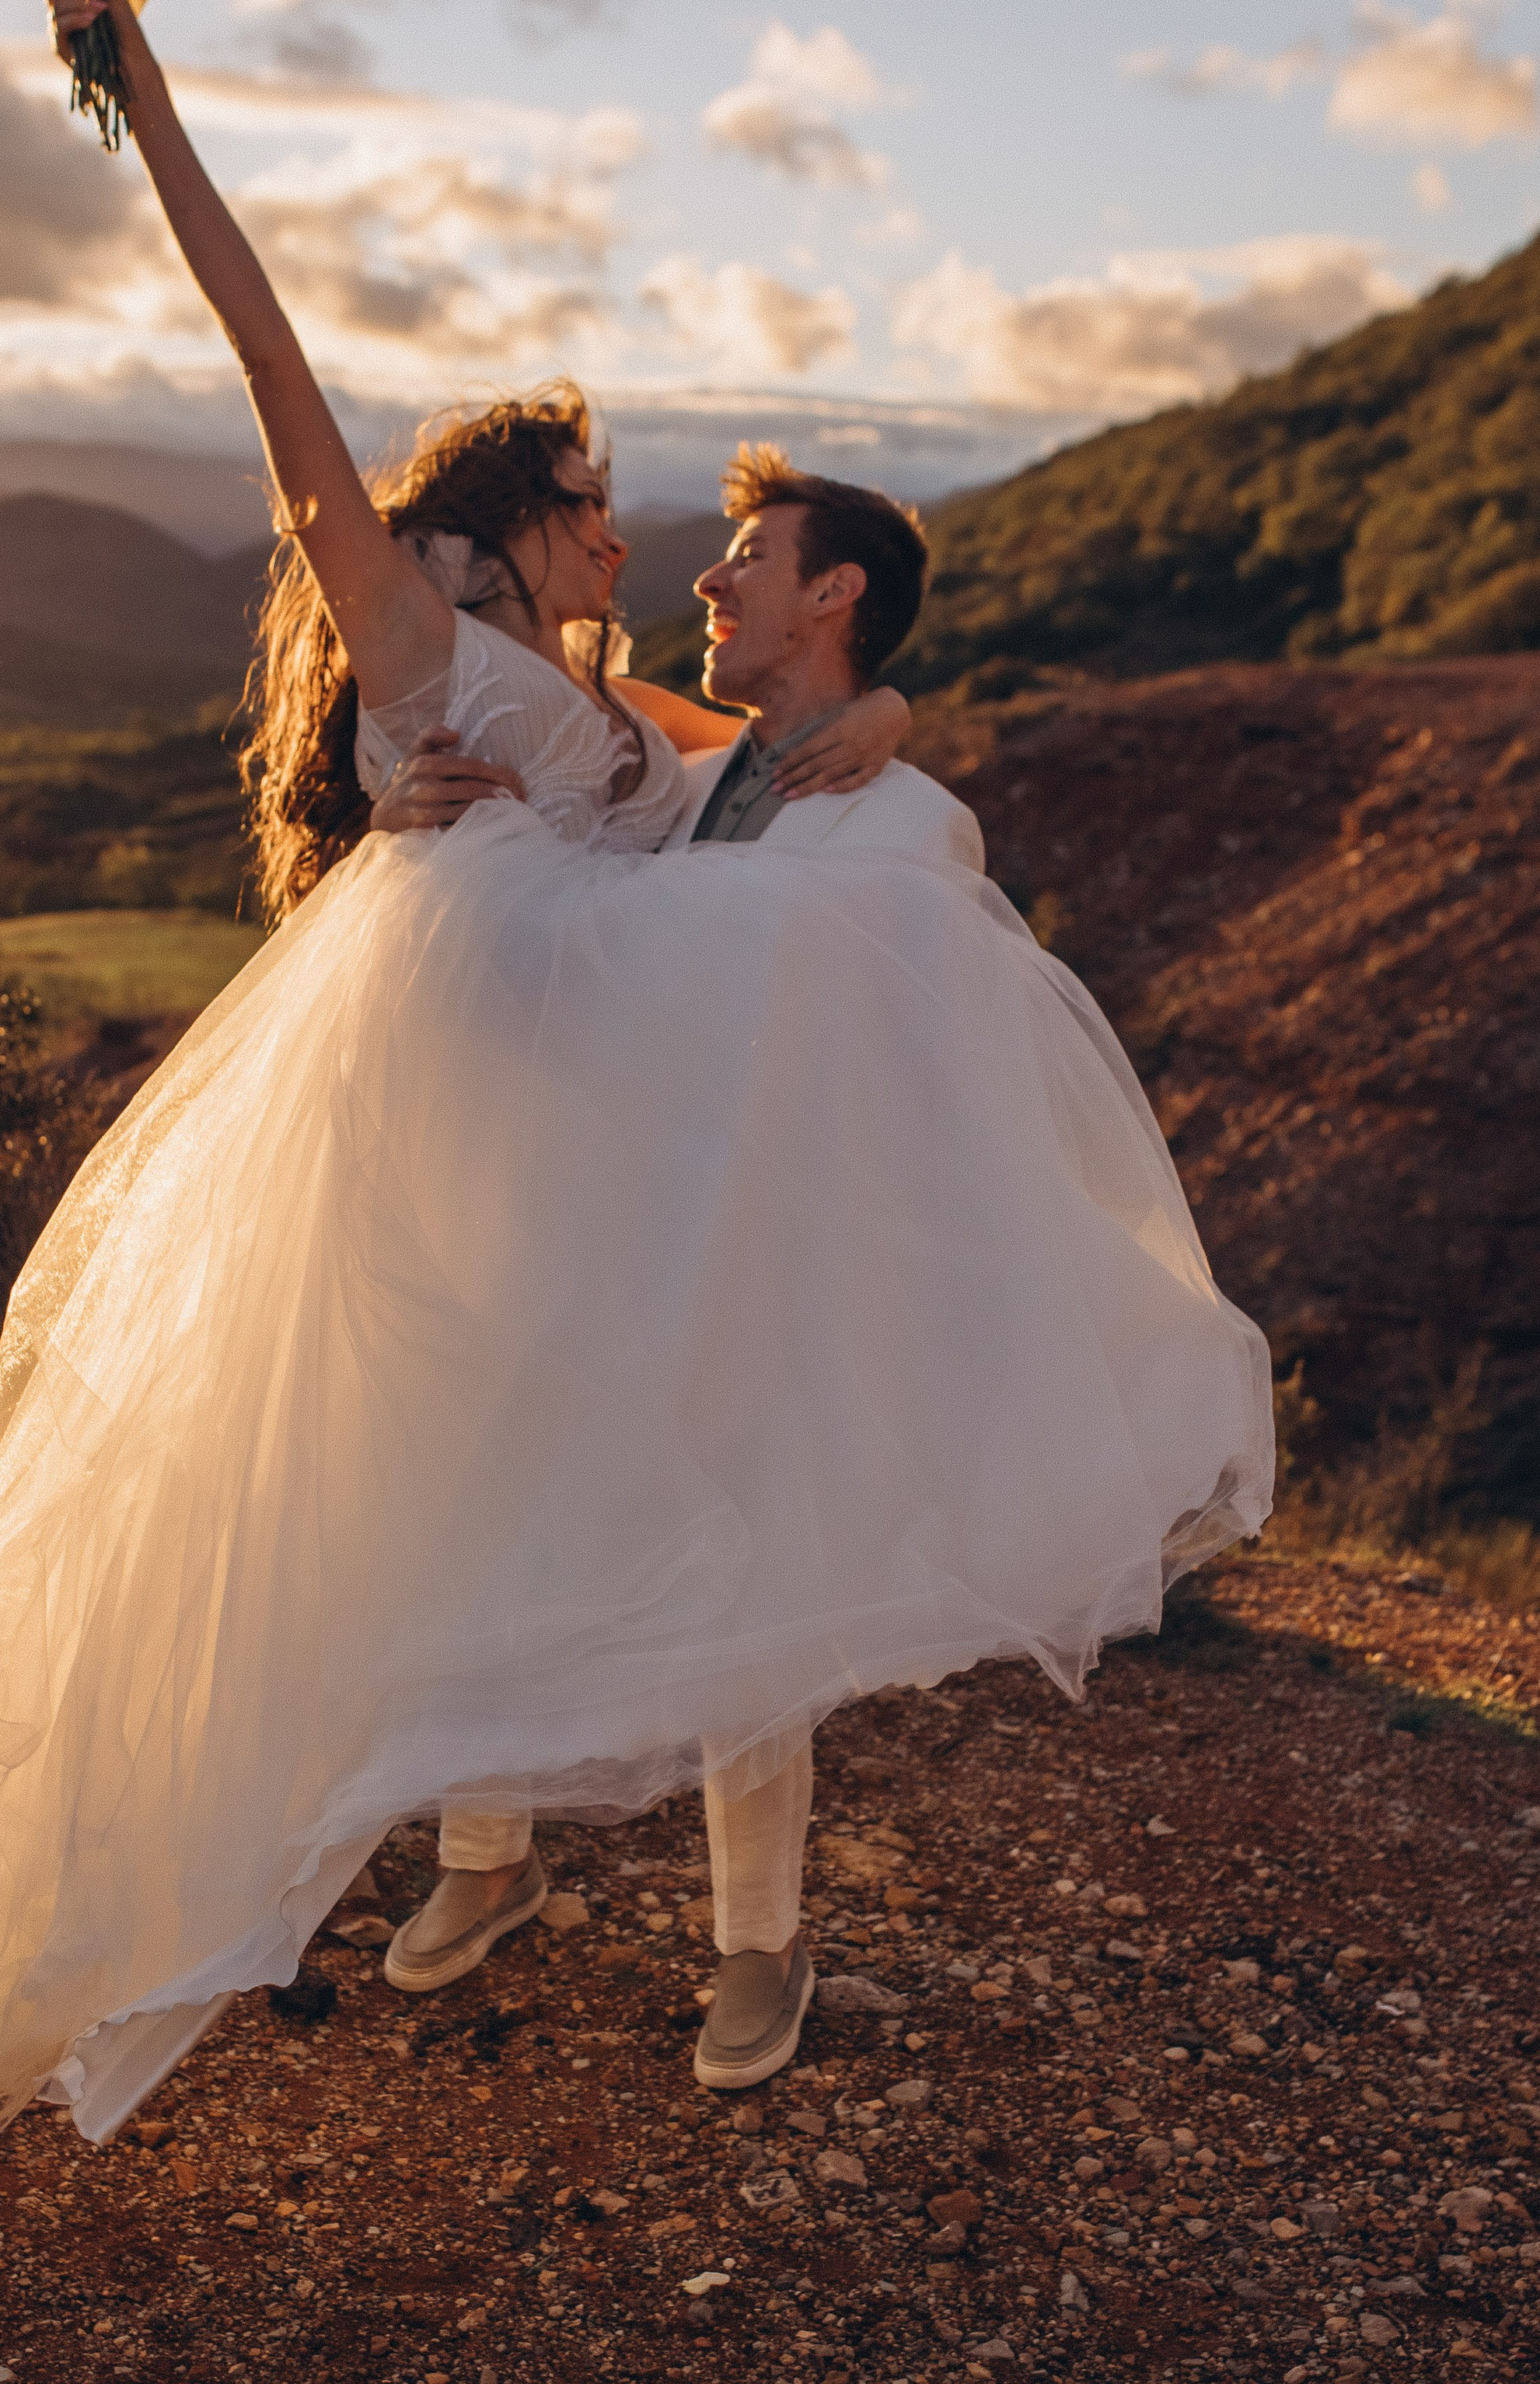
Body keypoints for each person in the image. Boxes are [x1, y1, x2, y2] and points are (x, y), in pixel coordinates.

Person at [0, 0, 1275, 2220]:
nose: (630, 540)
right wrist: (132, 69)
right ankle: (454, 1853)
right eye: (595, 505)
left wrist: (888, 716)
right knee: (432, 1502)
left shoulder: (599, 683)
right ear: (508, 522)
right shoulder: (421, 644)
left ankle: (628, 1894)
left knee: (662, 1481)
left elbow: (785, 753)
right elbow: (269, 364)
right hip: (469, 1133)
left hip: (613, 1146)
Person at [367, 446, 987, 2076]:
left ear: (833, 592)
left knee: (745, 1597)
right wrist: (406, 813)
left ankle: (759, 1947)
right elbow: (556, 774)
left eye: (748, 558)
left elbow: (917, 1080)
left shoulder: (913, 825)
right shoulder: (701, 771)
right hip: (615, 1228)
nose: (708, 578)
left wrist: (895, 723)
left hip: (779, 1268)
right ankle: (486, 1853)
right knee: (503, 1514)